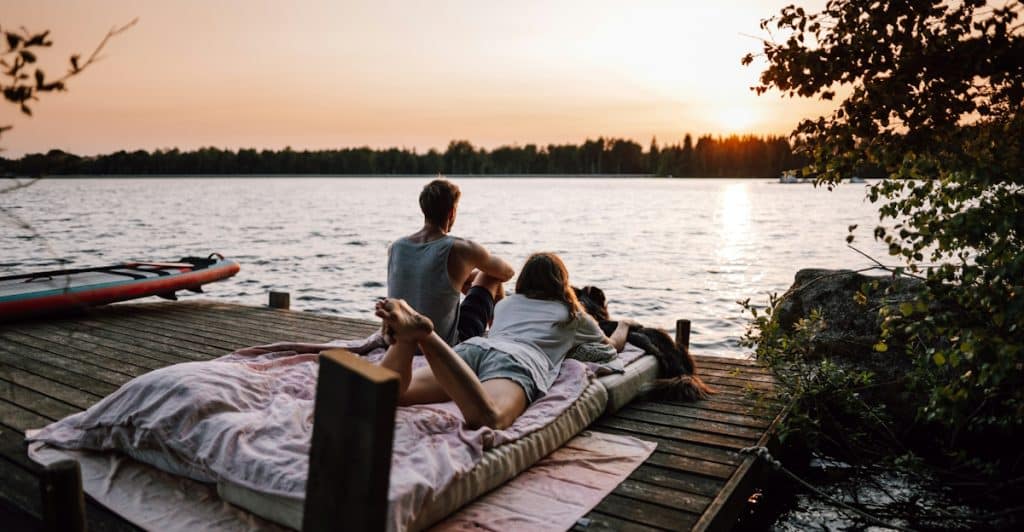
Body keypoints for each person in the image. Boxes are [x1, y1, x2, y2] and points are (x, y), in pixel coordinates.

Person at [375, 252, 638, 430]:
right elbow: (611, 347)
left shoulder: (507, 305)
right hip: (518, 362)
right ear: (563, 283)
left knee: (396, 395)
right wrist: (624, 325)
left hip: (476, 347)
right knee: (489, 417)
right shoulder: (572, 315)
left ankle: (408, 340)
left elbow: (496, 322)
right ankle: (425, 335)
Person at [387, 178, 515, 346]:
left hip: (400, 342)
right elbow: (507, 273)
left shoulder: (396, 247)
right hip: (444, 348)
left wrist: (464, 277)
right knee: (490, 275)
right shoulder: (460, 248)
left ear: (424, 210)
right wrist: (472, 277)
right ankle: (502, 342)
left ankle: (500, 339)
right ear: (452, 213)